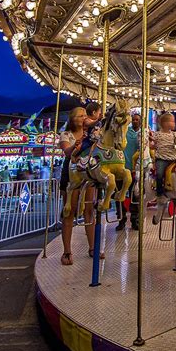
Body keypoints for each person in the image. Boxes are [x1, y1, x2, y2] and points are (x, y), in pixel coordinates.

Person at [59, 107, 99, 265]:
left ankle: (92, 247)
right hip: (71, 170)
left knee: (90, 210)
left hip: (87, 170)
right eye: (80, 116)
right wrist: (75, 145)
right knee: (69, 211)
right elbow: (67, 152)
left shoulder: (90, 135)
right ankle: (67, 251)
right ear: (72, 118)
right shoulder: (66, 134)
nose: (83, 118)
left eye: (85, 115)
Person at [116, 113, 141, 231]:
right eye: (134, 120)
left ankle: (135, 219)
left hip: (135, 169)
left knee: (135, 196)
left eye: (137, 120)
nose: (135, 121)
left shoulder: (143, 133)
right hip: (122, 167)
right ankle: (121, 218)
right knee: (119, 194)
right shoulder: (126, 131)